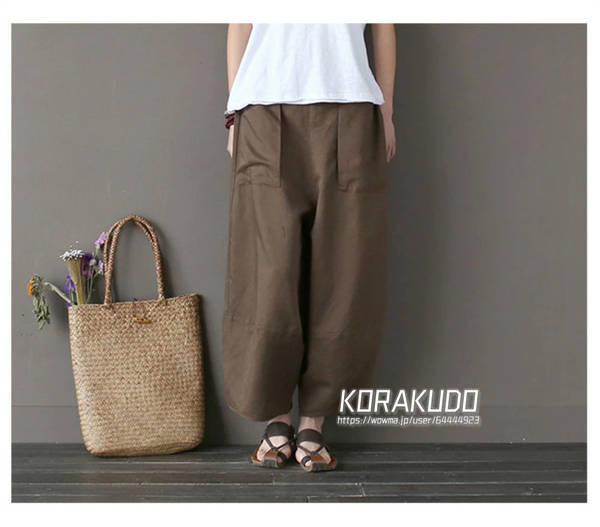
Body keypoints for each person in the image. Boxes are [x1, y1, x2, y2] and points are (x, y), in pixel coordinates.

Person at [222, 23, 396, 472]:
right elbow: (240, 23)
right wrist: (234, 109)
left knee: (343, 271)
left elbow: (384, 25)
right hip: (264, 108)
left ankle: (314, 422)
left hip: (351, 107)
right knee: (268, 274)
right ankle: (276, 418)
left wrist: (386, 111)